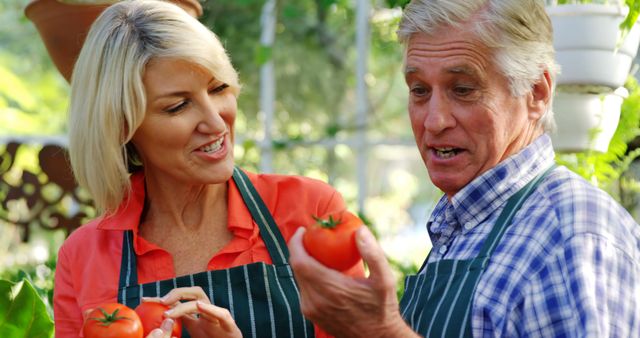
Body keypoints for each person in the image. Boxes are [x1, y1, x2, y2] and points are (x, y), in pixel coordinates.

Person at [288, 0, 640, 337]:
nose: (435, 121)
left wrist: (380, 331)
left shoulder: (572, 233)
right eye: (420, 90)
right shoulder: (465, 224)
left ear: (536, 93)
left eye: (463, 89)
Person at [53, 1, 364, 337]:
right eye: (178, 106)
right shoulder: (84, 256)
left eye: (218, 89)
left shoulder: (312, 214)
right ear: (121, 126)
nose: (216, 122)